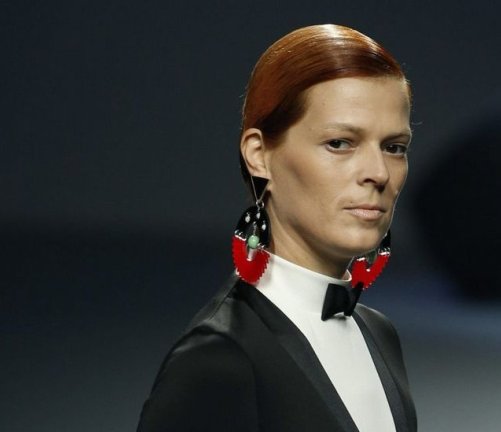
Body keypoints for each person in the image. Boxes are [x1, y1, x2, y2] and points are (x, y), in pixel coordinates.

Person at [136, 24, 416, 432]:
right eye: (339, 143)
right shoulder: (218, 359)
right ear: (259, 155)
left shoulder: (378, 334)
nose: (378, 173)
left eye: (394, 147)